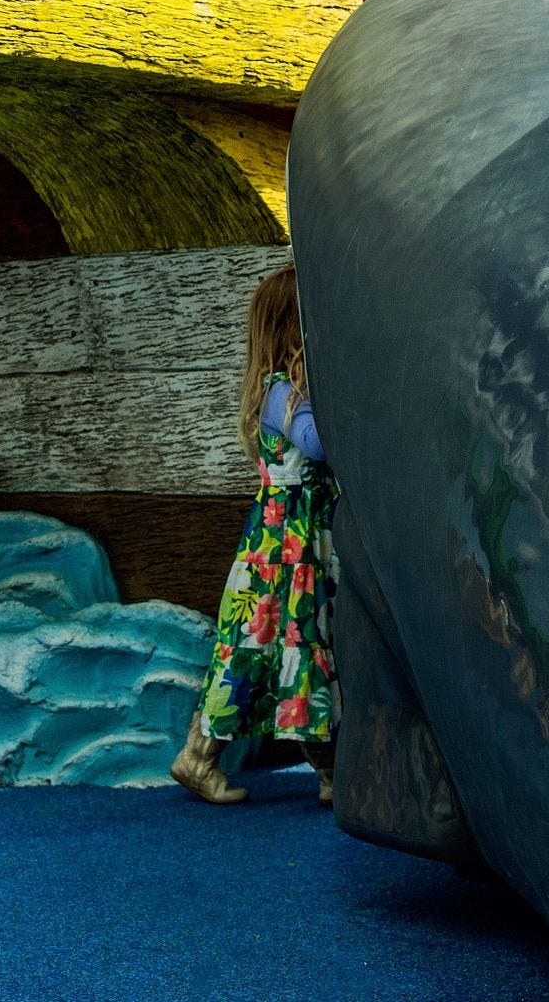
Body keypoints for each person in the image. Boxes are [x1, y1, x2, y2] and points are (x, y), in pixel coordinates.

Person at [173, 265, 338, 806]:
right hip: (279, 548)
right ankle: (197, 757)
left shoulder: (287, 391)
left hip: (302, 543)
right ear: (294, 326)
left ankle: (331, 770)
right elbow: (316, 443)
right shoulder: (280, 394)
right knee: (258, 645)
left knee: (308, 645)